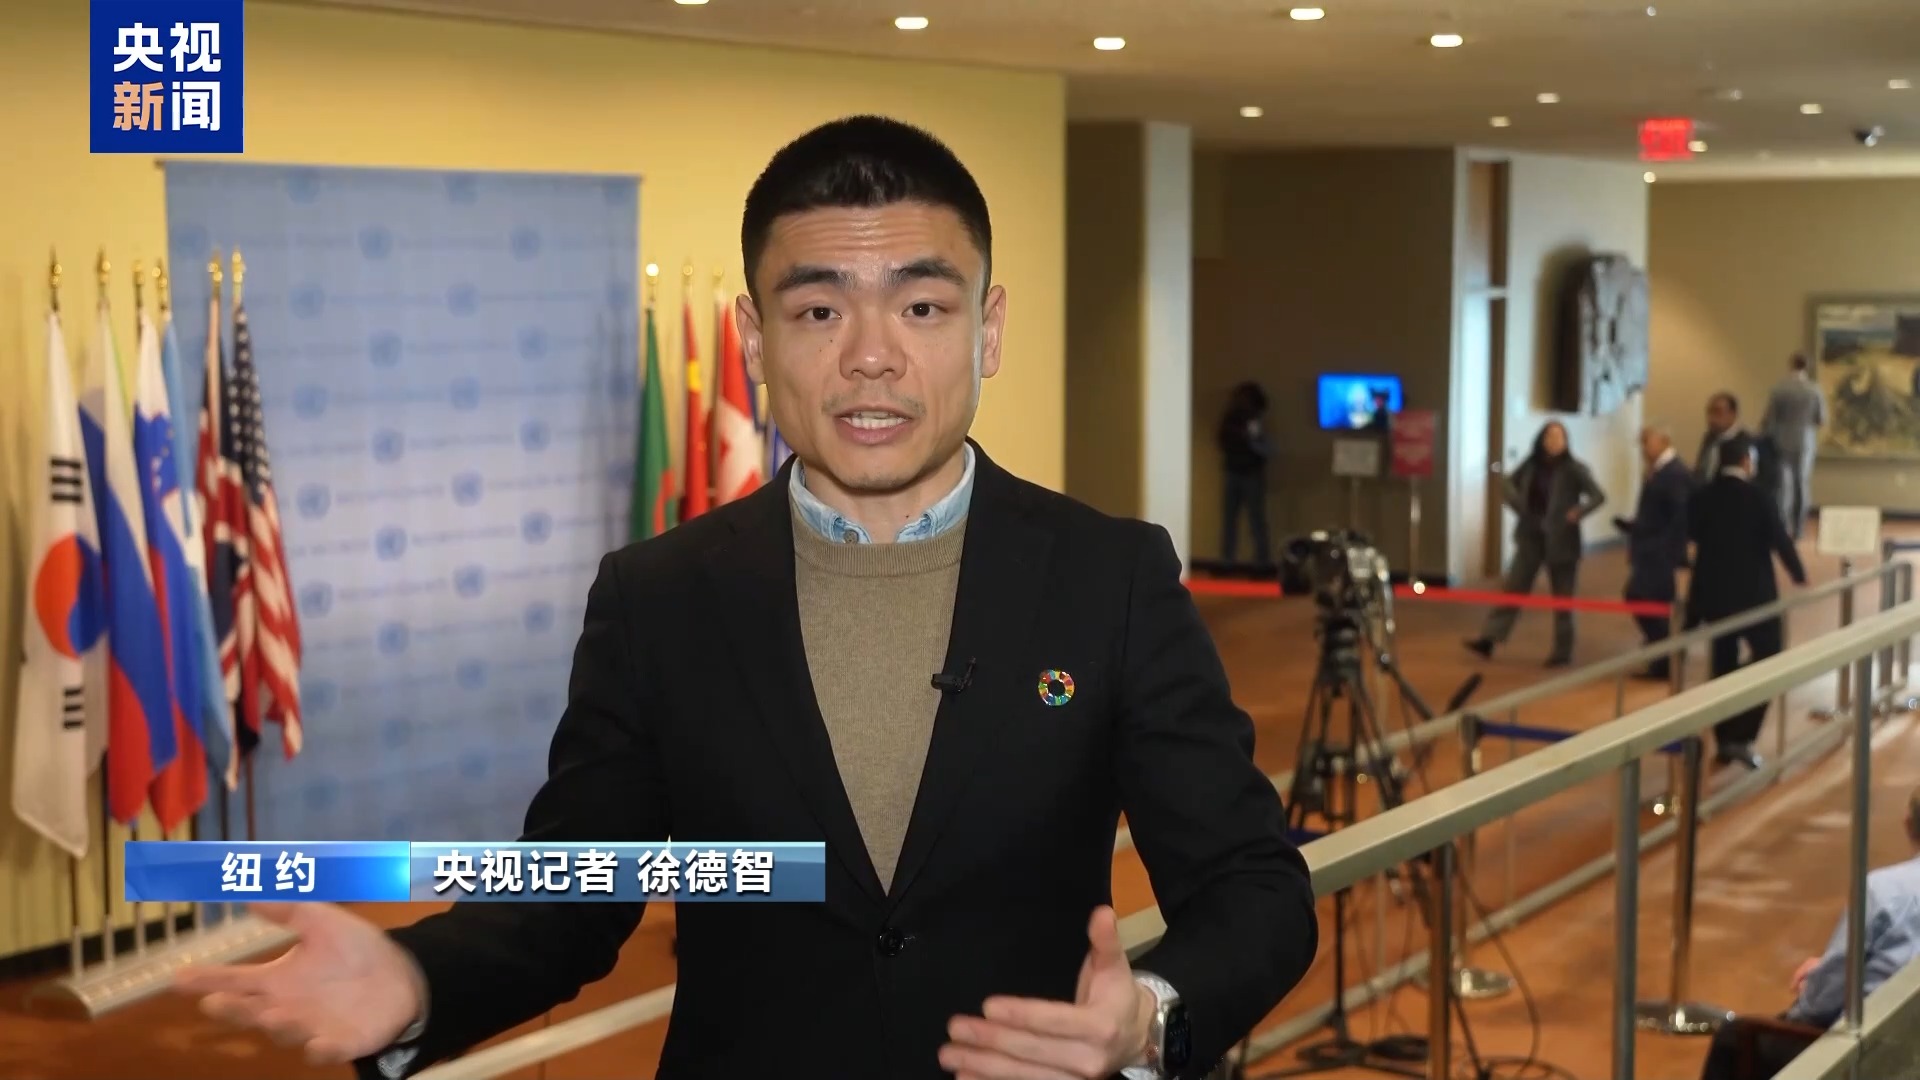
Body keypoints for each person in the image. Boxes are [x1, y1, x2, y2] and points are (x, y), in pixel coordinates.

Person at [172, 116, 1318, 1080]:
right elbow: (575, 893)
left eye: (922, 308)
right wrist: (418, 979)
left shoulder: (1111, 578)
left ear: (990, 329)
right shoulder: (659, 598)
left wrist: (1148, 1016)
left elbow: (1253, 887)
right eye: (819, 311)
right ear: (755, 340)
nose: (871, 356)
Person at [1698, 787, 1920, 1080]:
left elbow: (1819, 1006)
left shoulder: (1885, 892)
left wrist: (1811, 992)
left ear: (1908, 825)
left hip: (1879, 1056)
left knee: (1733, 1038)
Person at [1684, 432, 1806, 770]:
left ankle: (1725, 738)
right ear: (1746, 462)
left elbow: (1691, 535)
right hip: (1755, 597)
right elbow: (1779, 539)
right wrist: (1798, 573)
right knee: (1769, 658)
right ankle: (1742, 734)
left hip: (1714, 595)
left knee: (1722, 664)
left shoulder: (1702, 497)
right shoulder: (1759, 497)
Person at [1465, 420, 1606, 668]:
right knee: (1514, 588)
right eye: (1550, 436)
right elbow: (1508, 482)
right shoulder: (1531, 465)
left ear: (1566, 442)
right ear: (1542, 440)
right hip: (1531, 536)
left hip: (1562, 541)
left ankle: (1562, 651)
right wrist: (1518, 504)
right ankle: (1489, 639)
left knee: (1563, 599)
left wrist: (1578, 511)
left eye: (1559, 437)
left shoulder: (1574, 469)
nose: (1554, 441)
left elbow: (1598, 496)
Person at [1613, 423, 1691, 680]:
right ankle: (1662, 658)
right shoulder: (1658, 472)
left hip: (1660, 552)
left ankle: (1665, 652)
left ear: (1663, 441)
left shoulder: (1674, 473)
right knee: (1653, 601)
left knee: (1639, 595)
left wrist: (1667, 547)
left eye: (1646, 442)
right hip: (1652, 547)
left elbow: (1679, 515)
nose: (1643, 449)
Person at [1760, 352, 1828, 540]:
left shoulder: (1779, 389)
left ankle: (1782, 527)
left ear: (1791, 365)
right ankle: (1799, 530)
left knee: (1783, 486)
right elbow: (1821, 419)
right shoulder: (1814, 390)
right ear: (1807, 366)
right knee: (1802, 485)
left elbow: (1769, 418)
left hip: (1781, 440)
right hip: (1805, 441)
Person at [1218, 380, 1272, 567]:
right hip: (1236, 472)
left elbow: (1259, 446)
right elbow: (1222, 440)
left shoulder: (1253, 420)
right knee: (1232, 520)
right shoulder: (1232, 419)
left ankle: (1260, 561)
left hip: (1248, 473)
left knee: (1254, 520)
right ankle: (1229, 560)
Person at [1693, 391, 1746, 484]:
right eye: (1709, 412)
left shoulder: (1744, 443)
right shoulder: (1709, 438)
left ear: (1732, 414)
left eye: (1717, 412)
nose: (1711, 418)